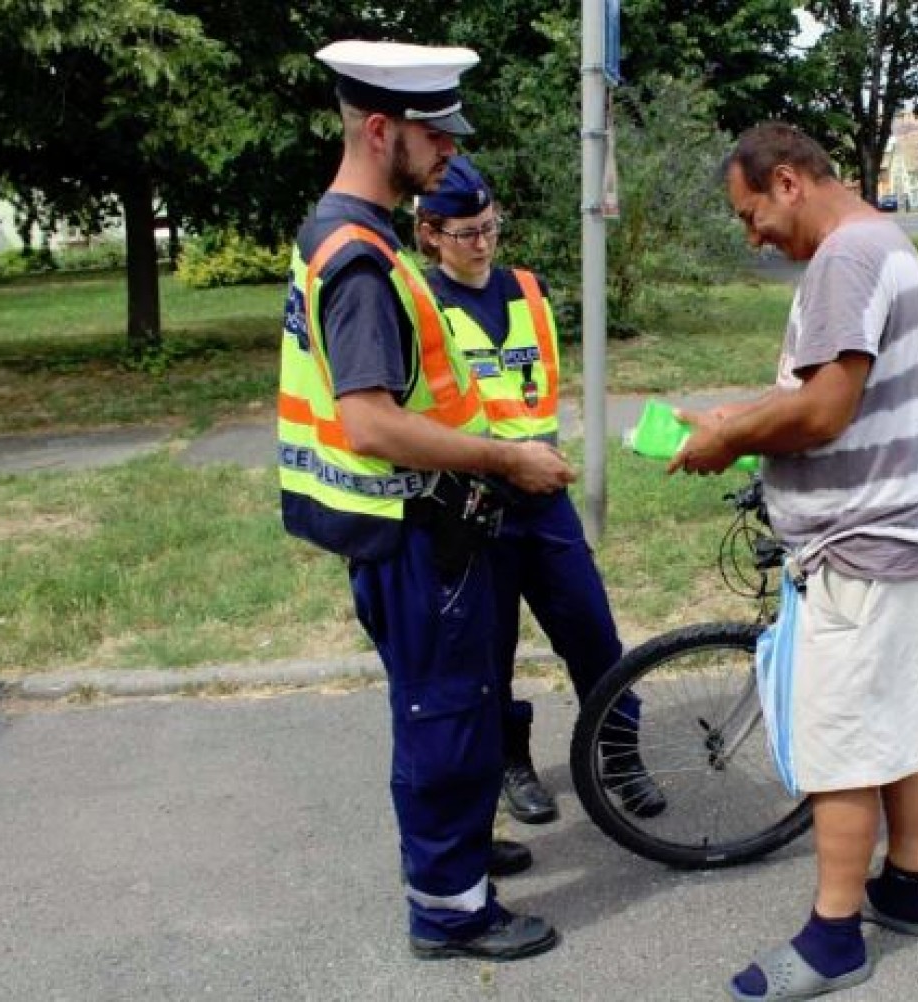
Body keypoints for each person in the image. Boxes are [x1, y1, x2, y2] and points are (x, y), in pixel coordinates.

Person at [277, 39, 572, 962]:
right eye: (434, 135)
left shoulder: (346, 231)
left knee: (440, 705)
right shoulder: (362, 260)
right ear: (379, 129)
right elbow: (369, 423)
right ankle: (450, 911)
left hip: (400, 528)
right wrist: (502, 458)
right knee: (443, 715)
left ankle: (463, 859)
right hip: (412, 530)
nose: (450, 153)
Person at [670, 122, 918, 1000]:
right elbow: (814, 392)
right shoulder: (882, 241)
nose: (751, 233)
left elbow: (827, 409)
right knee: (904, 722)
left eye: (750, 211)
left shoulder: (844, 257)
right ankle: (907, 886)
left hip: (861, 543)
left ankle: (835, 937)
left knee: (840, 744)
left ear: (789, 182)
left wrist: (730, 436)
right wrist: (744, 417)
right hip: (905, 533)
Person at [413, 156, 665, 824]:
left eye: (490, 226)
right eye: (467, 231)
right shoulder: (420, 304)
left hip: (544, 504)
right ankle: (511, 763)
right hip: (473, 510)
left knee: (592, 634)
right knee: (488, 653)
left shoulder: (528, 288)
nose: (483, 242)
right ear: (431, 232)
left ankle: (618, 753)